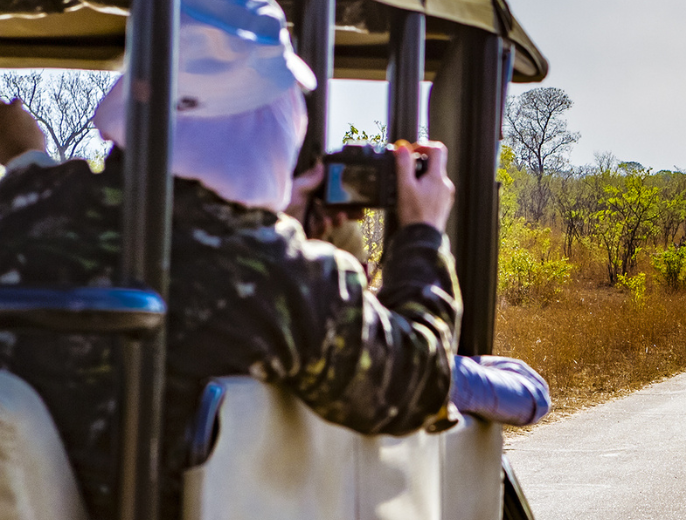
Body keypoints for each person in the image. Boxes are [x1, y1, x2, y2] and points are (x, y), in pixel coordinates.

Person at [0, 0, 546, 517]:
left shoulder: (19, 209)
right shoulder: (281, 274)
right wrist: (423, 234)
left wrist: (271, 214)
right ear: (269, 119)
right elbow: (419, 381)